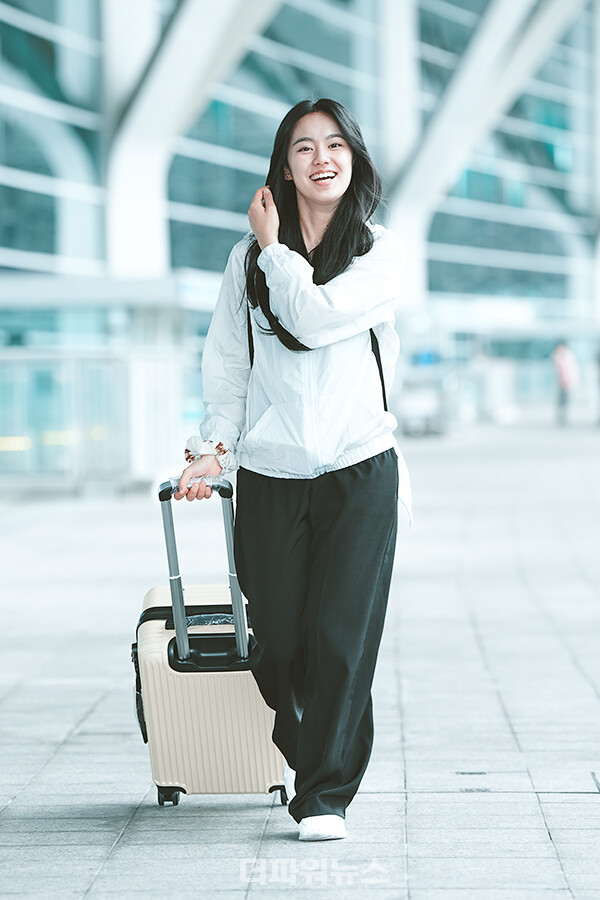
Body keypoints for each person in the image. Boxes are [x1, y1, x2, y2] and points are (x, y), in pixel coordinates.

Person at [174, 98, 412, 841]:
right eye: (304, 147)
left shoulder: (379, 250)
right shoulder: (245, 260)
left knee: (341, 638)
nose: (321, 159)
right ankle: (310, 753)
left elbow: (311, 319)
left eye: (335, 144)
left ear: (354, 158)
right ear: (285, 164)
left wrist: (275, 247)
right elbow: (229, 365)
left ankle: (324, 796)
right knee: (276, 638)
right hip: (273, 475)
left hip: (359, 468)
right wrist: (214, 446)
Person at [552, 340, 579, 427]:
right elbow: (562, 368)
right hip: (564, 381)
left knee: (563, 401)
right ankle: (562, 419)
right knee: (563, 401)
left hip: (565, 381)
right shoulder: (562, 354)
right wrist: (565, 380)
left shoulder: (562, 353)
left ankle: (562, 418)